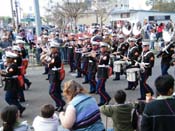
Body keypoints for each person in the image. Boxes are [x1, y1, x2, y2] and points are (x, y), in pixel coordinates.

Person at [0, 51, 25, 117]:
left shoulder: (13, 65)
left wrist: (1, 73)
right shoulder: (11, 65)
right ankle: (18, 109)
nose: (6, 59)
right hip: (11, 83)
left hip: (13, 84)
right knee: (13, 98)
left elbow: (9, 74)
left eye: (8, 58)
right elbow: (8, 73)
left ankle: (19, 108)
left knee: (8, 98)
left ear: (11, 59)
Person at [48, 41, 65, 111]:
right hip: (53, 74)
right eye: (51, 48)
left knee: (52, 92)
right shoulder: (53, 55)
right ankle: (59, 104)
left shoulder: (56, 56)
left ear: (56, 48)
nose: (51, 49)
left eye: (52, 48)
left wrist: (48, 63)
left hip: (55, 75)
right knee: (57, 91)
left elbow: (50, 65)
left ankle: (61, 103)